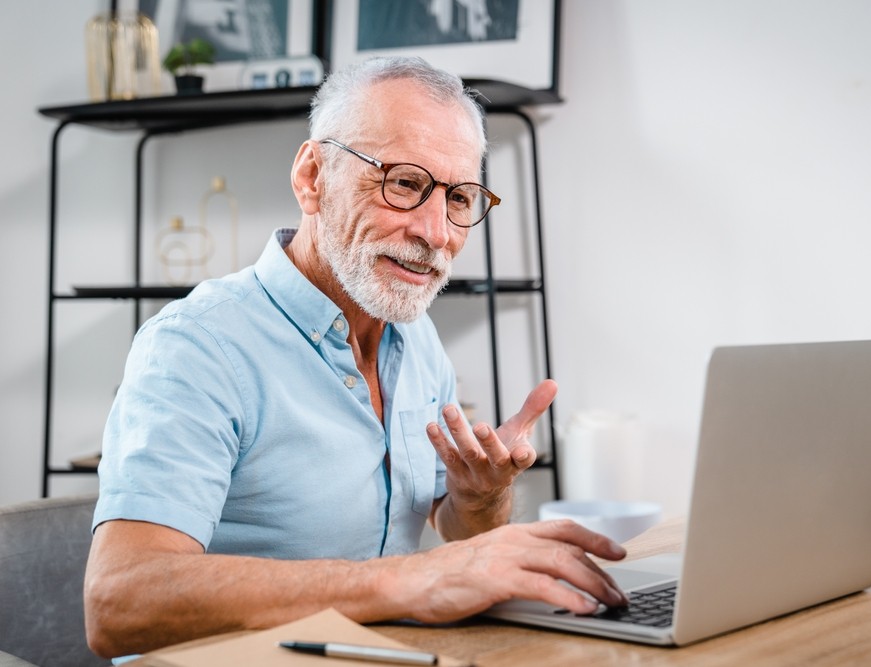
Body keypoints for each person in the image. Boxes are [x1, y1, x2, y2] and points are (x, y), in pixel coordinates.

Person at [83, 56, 628, 659]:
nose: (436, 233)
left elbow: (453, 530)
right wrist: (409, 580)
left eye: (459, 198)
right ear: (312, 177)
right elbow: (119, 601)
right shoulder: (196, 346)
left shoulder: (415, 338)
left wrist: (479, 500)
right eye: (404, 184)